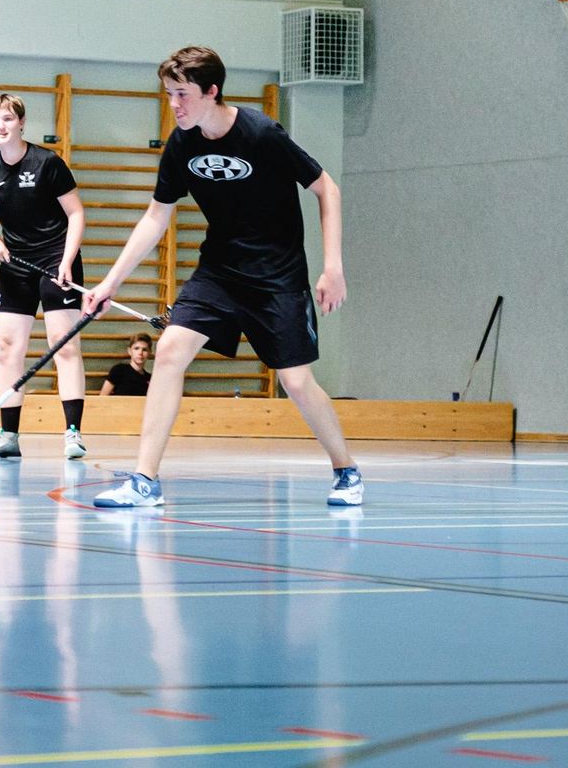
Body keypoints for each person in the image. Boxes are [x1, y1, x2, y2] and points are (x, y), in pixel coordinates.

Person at [83, 46, 361, 508]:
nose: (174, 104)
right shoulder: (182, 143)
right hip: (219, 272)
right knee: (170, 350)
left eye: (183, 94)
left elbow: (325, 187)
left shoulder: (261, 133)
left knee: (295, 382)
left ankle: (346, 469)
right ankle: (144, 480)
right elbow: (156, 217)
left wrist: (333, 266)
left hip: (277, 277)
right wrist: (110, 282)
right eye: (169, 94)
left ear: (212, 92)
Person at [0, 93, 89, 461]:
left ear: (21, 122)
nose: (0, 126)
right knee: (8, 349)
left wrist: (67, 261)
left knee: (63, 346)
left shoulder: (48, 162)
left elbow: (77, 214)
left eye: (7, 119)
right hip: (15, 265)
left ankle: (72, 434)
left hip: (56, 261)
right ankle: (8, 437)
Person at [100, 333, 152, 398]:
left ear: (149, 353)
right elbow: (102, 398)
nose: (140, 353)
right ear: (129, 351)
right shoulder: (118, 370)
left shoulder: (150, 379)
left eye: (144, 350)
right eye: (136, 348)